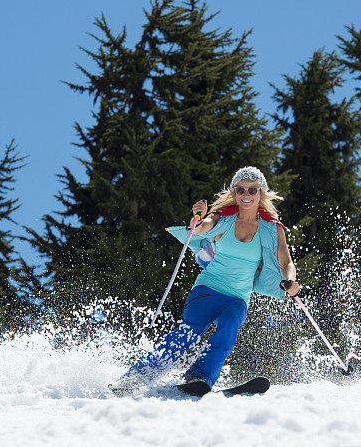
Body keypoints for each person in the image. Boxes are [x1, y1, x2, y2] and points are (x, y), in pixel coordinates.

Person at [113, 166, 300, 395]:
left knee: (229, 328)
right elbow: (204, 227)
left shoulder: (271, 228)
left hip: (238, 298)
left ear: (261, 193)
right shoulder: (224, 218)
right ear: (234, 193)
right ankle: (138, 376)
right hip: (208, 288)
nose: (246, 195)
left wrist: (290, 280)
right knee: (190, 331)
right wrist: (197, 220)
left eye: (252, 190)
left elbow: (286, 261)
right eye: (240, 189)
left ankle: (199, 376)